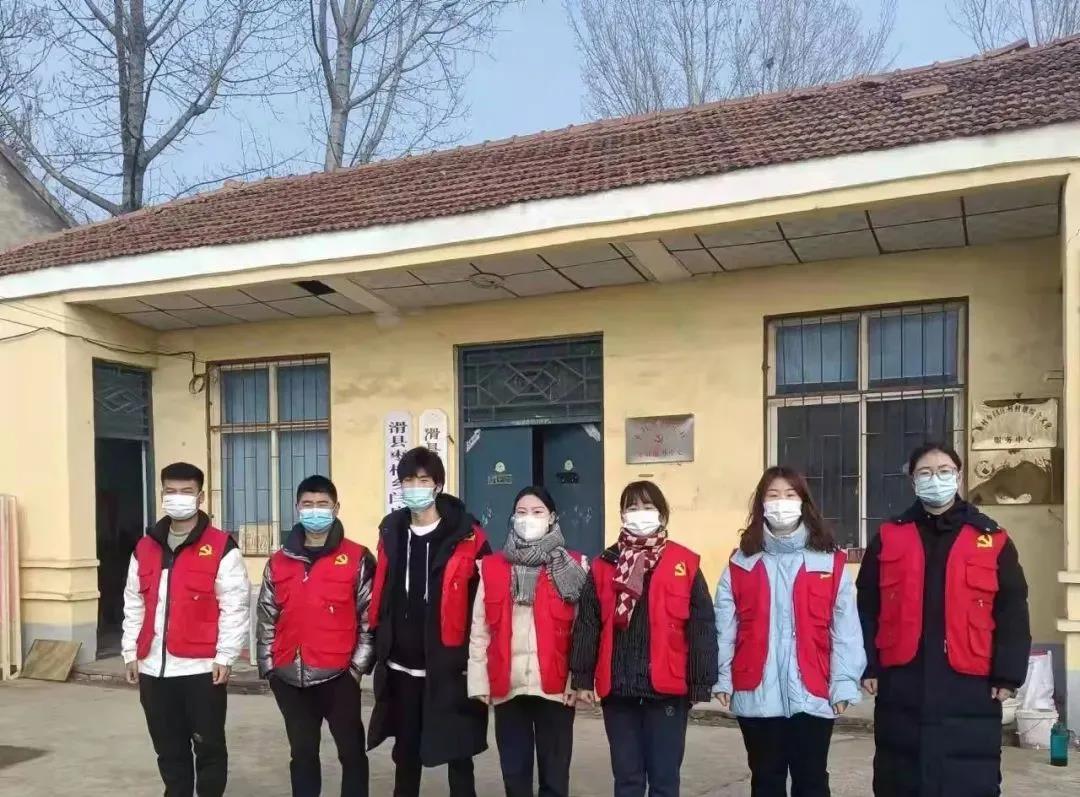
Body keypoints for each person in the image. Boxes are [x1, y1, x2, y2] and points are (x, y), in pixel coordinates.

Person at [856, 442, 1031, 797]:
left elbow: (1012, 610)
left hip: (971, 682)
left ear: (959, 477)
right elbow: (866, 606)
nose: (935, 479)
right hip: (902, 679)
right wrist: (867, 665)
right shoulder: (889, 537)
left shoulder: (991, 539)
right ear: (912, 481)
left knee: (967, 779)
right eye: (925, 473)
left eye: (944, 471)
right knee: (900, 776)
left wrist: (1008, 674)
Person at [714, 467, 865, 797]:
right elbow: (724, 629)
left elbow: (845, 629)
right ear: (761, 505)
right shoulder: (741, 564)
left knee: (811, 781)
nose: (781, 502)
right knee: (765, 781)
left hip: (813, 690)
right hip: (756, 693)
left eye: (789, 495)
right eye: (773, 496)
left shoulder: (830, 562)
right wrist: (721, 677)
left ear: (803, 502)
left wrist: (843, 682)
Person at [570, 480, 718, 797]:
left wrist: (700, 682)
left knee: (664, 780)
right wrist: (582, 678)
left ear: (662, 514)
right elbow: (588, 624)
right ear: (622, 515)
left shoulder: (685, 563)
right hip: (619, 691)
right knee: (627, 780)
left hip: (667, 691)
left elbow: (702, 626)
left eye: (647, 507)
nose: (640, 513)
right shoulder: (604, 564)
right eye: (632, 507)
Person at [366, 447, 492, 797]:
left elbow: (484, 604)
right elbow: (382, 591)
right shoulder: (392, 531)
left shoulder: (468, 536)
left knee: (459, 752)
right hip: (402, 667)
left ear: (438, 485)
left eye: (423, 480)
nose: (415, 488)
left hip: (450, 666)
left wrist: (480, 662)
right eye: (408, 480)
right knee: (406, 753)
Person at [121, 462, 250, 797]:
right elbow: (134, 602)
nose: (177, 498)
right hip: (153, 668)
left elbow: (234, 606)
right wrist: (130, 651)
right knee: (168, 750)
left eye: (186, 491)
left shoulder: (221, 546)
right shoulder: (145, 547)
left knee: (209, 748)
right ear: (162, 494)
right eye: (171, 491)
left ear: (200, 496)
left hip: (201, 669)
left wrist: (225, 655)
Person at [256, 475, 375, 797]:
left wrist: (356, 670)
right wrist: (268, 667)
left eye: (323, 504)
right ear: (297, 507)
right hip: (289, 676)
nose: (315, 510)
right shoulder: (279, 561)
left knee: (352, 753)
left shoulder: (357, 557)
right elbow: (266, 616)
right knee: (302, 754)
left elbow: (369, 619)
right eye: (308, 504)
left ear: (336, 508)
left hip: (339, 676)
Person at [468, 486, 589, 797]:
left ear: (552, 518)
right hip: (508, 685)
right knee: (515, 777)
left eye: (537, 512)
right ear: (512, 518)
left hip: (556, 686)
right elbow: (480, 630)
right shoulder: (492, 567)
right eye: (521, 512)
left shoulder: (574, 565)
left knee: (555, 777)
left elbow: (583, 630)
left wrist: (577, 680)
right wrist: (479, 681)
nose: (528, 518)